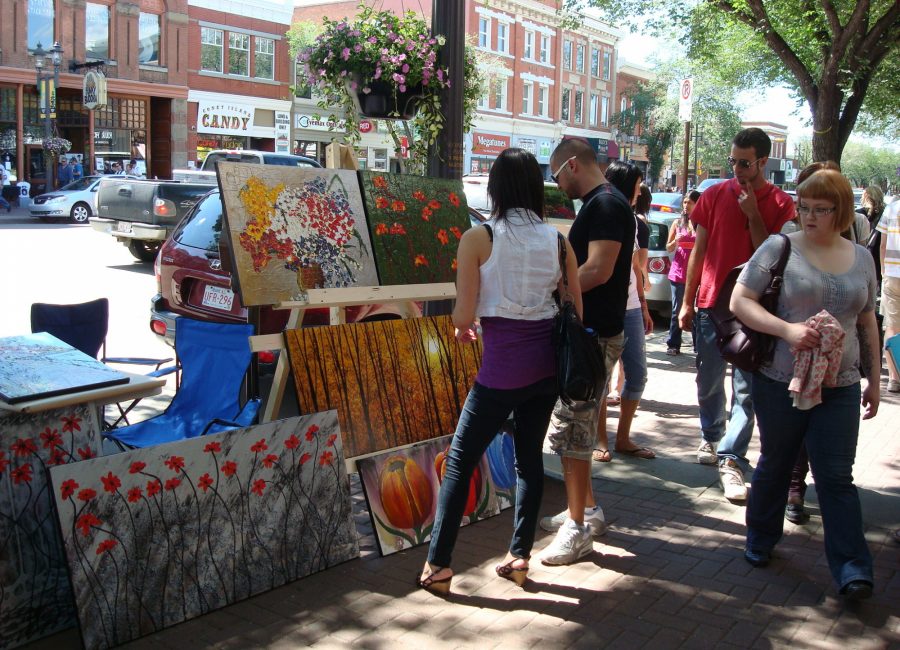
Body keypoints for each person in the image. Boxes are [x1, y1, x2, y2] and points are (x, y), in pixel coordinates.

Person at [417, 148, 581, 595]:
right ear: (535, 187)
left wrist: (465, 325)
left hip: (499, 373)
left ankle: (439, 564)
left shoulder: (478, 238)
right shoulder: (558, 240)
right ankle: (519, 555)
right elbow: (575, 311)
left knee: (458, 462)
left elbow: (462, 316)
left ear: (495, 188)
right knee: (529, 460)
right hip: (545, 371)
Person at [731, 168, 880, 601]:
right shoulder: (781, 246)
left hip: (841, 384)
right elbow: (739, 301)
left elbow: (867, 318)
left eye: (821, 209)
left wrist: (873, 379)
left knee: (835, 476)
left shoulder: (861, 257)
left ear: (842, 211)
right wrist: (787, 331)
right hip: (782, 380)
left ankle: (853, 569)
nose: (810, 216)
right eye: (805, 208)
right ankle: (760, 537)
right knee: (776, 462)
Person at [678, 128, 795, 501]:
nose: (738, 169)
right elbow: (699, 251)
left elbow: (772, 254)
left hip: (753, 310)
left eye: (745, 163)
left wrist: (754, 215)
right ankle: (711, 436)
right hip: (712, 305)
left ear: (763, 161)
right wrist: (687, 301)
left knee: (745, 390)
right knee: (708, 380)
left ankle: (732, 458)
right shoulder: (713, 195)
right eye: (733, 161)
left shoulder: (779, 203)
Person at [538, 139, 635, 566]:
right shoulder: (604, 203)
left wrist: (556, 291)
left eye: (558, 176)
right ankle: (586, 511)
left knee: (571, 431)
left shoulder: (607, 206)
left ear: (573, 165)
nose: (558, 186)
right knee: (576, 428)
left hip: (592, 337)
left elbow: (598, 268)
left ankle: (577, 529)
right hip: (591, 333)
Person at [591, 160, 655, 461]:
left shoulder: (631, 219)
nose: (639, 190)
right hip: (608, 308)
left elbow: (634, 268)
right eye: (637, 184)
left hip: (630, 307)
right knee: (602, 378)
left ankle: (624, 438)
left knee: (638, 375)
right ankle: (601, 440)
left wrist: (643, 305)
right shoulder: (606, 212)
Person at [665, 190, 700, 355]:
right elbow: (668, 247)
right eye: (685, 202)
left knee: (697, 311)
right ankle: (673, 344)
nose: (686, 206)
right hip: (678, 272)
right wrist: (675, 242)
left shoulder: (702, 224)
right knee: (677, 309)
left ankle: (698, 345)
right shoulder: (677, 223)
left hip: (697, 273)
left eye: (690, 202)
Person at [878, 198, 900, 393]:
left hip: (893, 275)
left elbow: (882, 245)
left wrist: (885, 272)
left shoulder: (892, 208)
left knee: (892, 327)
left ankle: (894, 378)